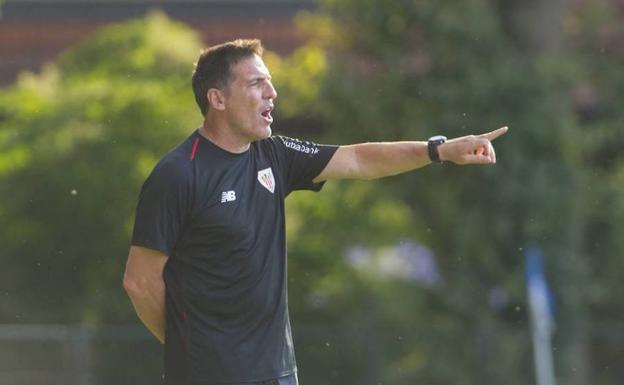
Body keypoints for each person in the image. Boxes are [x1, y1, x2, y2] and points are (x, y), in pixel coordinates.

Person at [123, 38, 508, 385]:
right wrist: (189, 348)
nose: (272, 93)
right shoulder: (178, 174)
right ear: (217, 99)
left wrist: (436, 150)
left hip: (279, 372)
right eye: (256, 84)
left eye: (270, 82)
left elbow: (357, 159)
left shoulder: (274, 154)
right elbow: (140, 282)